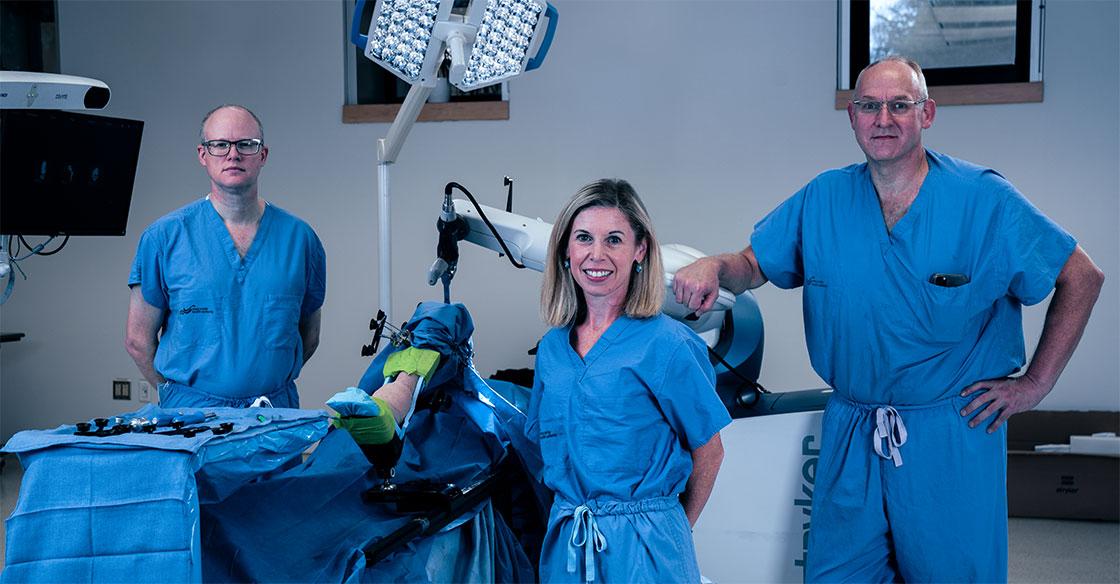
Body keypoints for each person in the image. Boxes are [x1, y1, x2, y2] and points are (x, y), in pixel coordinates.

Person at [672, 56, 1104, 582]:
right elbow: (754, 264)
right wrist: (717, 265)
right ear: (852, 117)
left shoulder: (982, 199)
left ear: (928, 114)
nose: (884, 119)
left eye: (900, 105)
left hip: (951, 435)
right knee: (838, 574)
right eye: (870, 106)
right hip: (854, 429)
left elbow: (1082, 276)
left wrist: (1035, 385)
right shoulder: (824, 198)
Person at [527, 179, 731, 583]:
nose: (596, 254)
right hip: (569, 544)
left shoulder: (666, 345)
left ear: (640, 251)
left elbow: (710, 452)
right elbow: (543, 448)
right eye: (584, 238)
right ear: (567, 250)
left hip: (647, 547)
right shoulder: (553, 351)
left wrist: (669, 530)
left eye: (614, 239)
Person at [125, 105, 326, 409]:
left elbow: (308, 337)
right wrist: (177, 398)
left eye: (246, 144)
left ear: (263, 155)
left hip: (273, 416)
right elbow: (138, 341)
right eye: (220, 145)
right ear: (202, 155)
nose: (233, 155)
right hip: (192, 415)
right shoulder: (164, 238)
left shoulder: (300, 240)